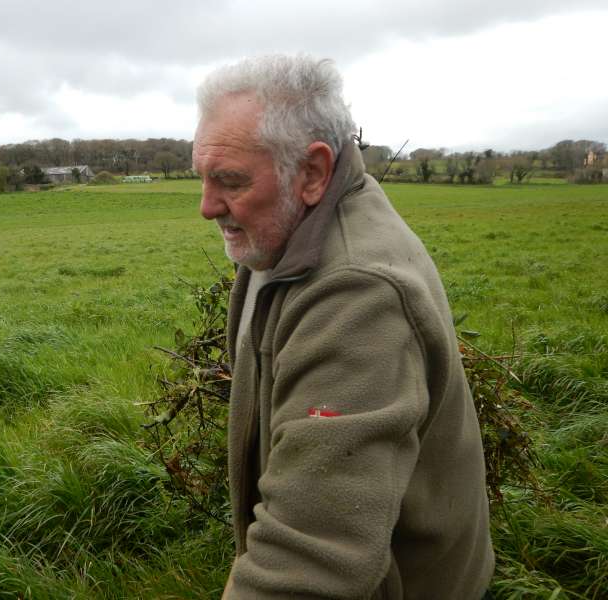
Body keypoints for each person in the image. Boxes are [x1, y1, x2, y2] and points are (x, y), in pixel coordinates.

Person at [192, 55, 494, 599]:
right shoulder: (283, 235)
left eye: (230, 181)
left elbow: (308, 562)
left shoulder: (359, 296)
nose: (207, 206)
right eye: (204, 178)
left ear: (311, 173)